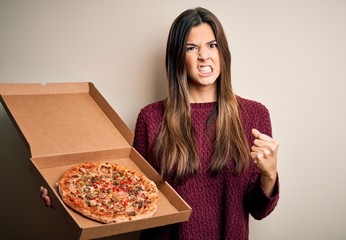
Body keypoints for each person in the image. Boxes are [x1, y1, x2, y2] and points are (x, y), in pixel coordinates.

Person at [40, 7, 280, 240]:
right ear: (177, 57)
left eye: (212, 45)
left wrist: (269, 174)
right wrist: (67, 201)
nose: (204, 55)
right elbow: (130, 198)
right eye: (191, 47)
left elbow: (258, 210)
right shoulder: (151, 118)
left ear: (223, 52)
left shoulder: (254, 115)